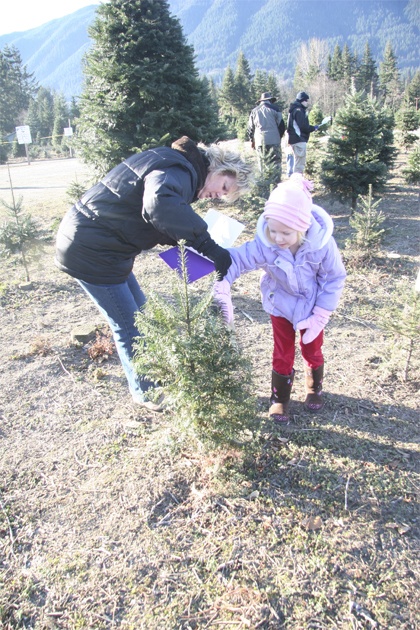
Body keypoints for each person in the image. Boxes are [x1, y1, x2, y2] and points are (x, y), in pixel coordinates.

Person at [55, 136, 253, 411]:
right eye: (224, 187)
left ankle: (152, 379)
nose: (219, 196)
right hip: (91, 249)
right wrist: (206, 244)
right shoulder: (180, 170)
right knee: (130, 325)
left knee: (142, 316)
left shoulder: (178, 167)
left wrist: (199, 252)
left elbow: (155, 218)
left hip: (105, 247)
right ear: (221, 169)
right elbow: (158, 205)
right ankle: (146, 392)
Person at [213, 173, 346, 424]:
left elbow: (334, 278)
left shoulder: (322, 246)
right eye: (273, 230)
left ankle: (313, 389)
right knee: (282, 352)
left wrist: (321, 314)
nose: (278, 238)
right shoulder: (266, 244)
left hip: (311, 308)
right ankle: (279, 399)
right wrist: (222, 282)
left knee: (312, 348)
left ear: (303, 227)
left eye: (285, 233)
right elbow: (237, 259)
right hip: (280, 306)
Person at [247, 92, 285, 180]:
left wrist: (252, 141)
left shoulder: (254, 111)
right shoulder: (276, 109)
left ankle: (264, 184)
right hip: (274, 141)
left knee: (262, 164)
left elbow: (250, 129)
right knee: (276, 163)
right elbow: (282, 126)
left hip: (260, 142)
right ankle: (276, 183)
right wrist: (278, 137)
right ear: (270, 100)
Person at [287, 91, 319, 174]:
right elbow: (303, 126)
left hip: (295, 139)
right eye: (306, 101)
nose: (307, 103)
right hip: (299, 139)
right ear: (302, 100)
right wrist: (313, 128)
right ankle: (297, 182)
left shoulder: (294, 109)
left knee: (297, 161)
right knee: (299, 164)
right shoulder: (299, 111)